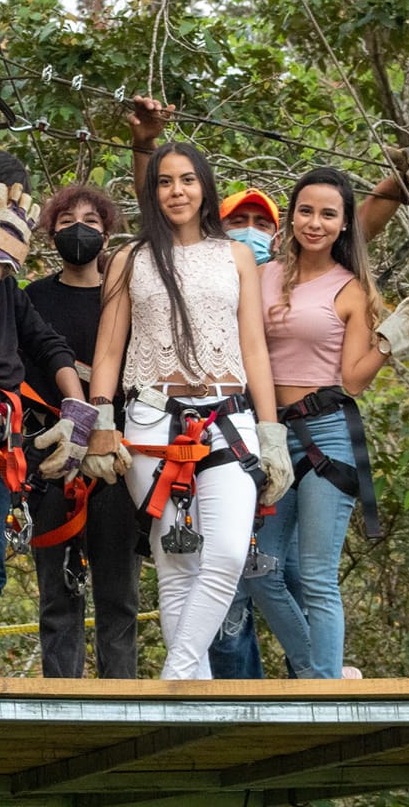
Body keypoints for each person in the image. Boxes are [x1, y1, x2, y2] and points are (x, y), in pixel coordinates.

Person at [81, 142, 292, 679]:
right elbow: (108, 349)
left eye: (187, 180)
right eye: (164, 182)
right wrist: (101, 422)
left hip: (229, 413)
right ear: (151, 193)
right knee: (177, 566)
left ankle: (174, 677)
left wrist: (272, 434)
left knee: (223, 556)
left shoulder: (237, 255)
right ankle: (189, 700)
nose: (177, 191)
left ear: (205, 188)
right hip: (152, 415)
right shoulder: (130, 258)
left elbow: (254, 350)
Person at [246, 167, 409, 678]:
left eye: (328, 214)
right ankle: (323, 675)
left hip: (326, 435)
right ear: (291, 215)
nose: (315, 223)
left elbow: (354, 381)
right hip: (270, 431)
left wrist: (392, 337)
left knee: (315, 575)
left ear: (343, 226)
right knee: (259, 570)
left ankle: (322, 686)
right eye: (306, 211)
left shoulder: (352, 290)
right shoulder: (260, 275)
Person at [0, 148, 93, 677]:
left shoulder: (2, 271)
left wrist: (76, 404)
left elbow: (44, 341)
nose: (6, 215)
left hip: (0, 429)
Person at [21, 184, 140, 679]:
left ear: (107, 233)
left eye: (91, 221)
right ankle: (61, 699)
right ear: (51, 235)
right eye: (67, 221)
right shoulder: (33, 299)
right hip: (52, 452)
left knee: (119, 593)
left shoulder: (128, 299)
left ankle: (124, 698)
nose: (79, 230)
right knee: (58, 594)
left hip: (117, 454)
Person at [207, 187, 297, 679]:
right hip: (220, 429)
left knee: (292, 569)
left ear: (278, 237)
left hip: (290, 432)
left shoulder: (294, 283)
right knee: (228, 570)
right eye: (237, 221)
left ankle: (313, 676)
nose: (250, 231)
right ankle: (237, 689)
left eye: (261, 224)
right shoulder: (203, 282)